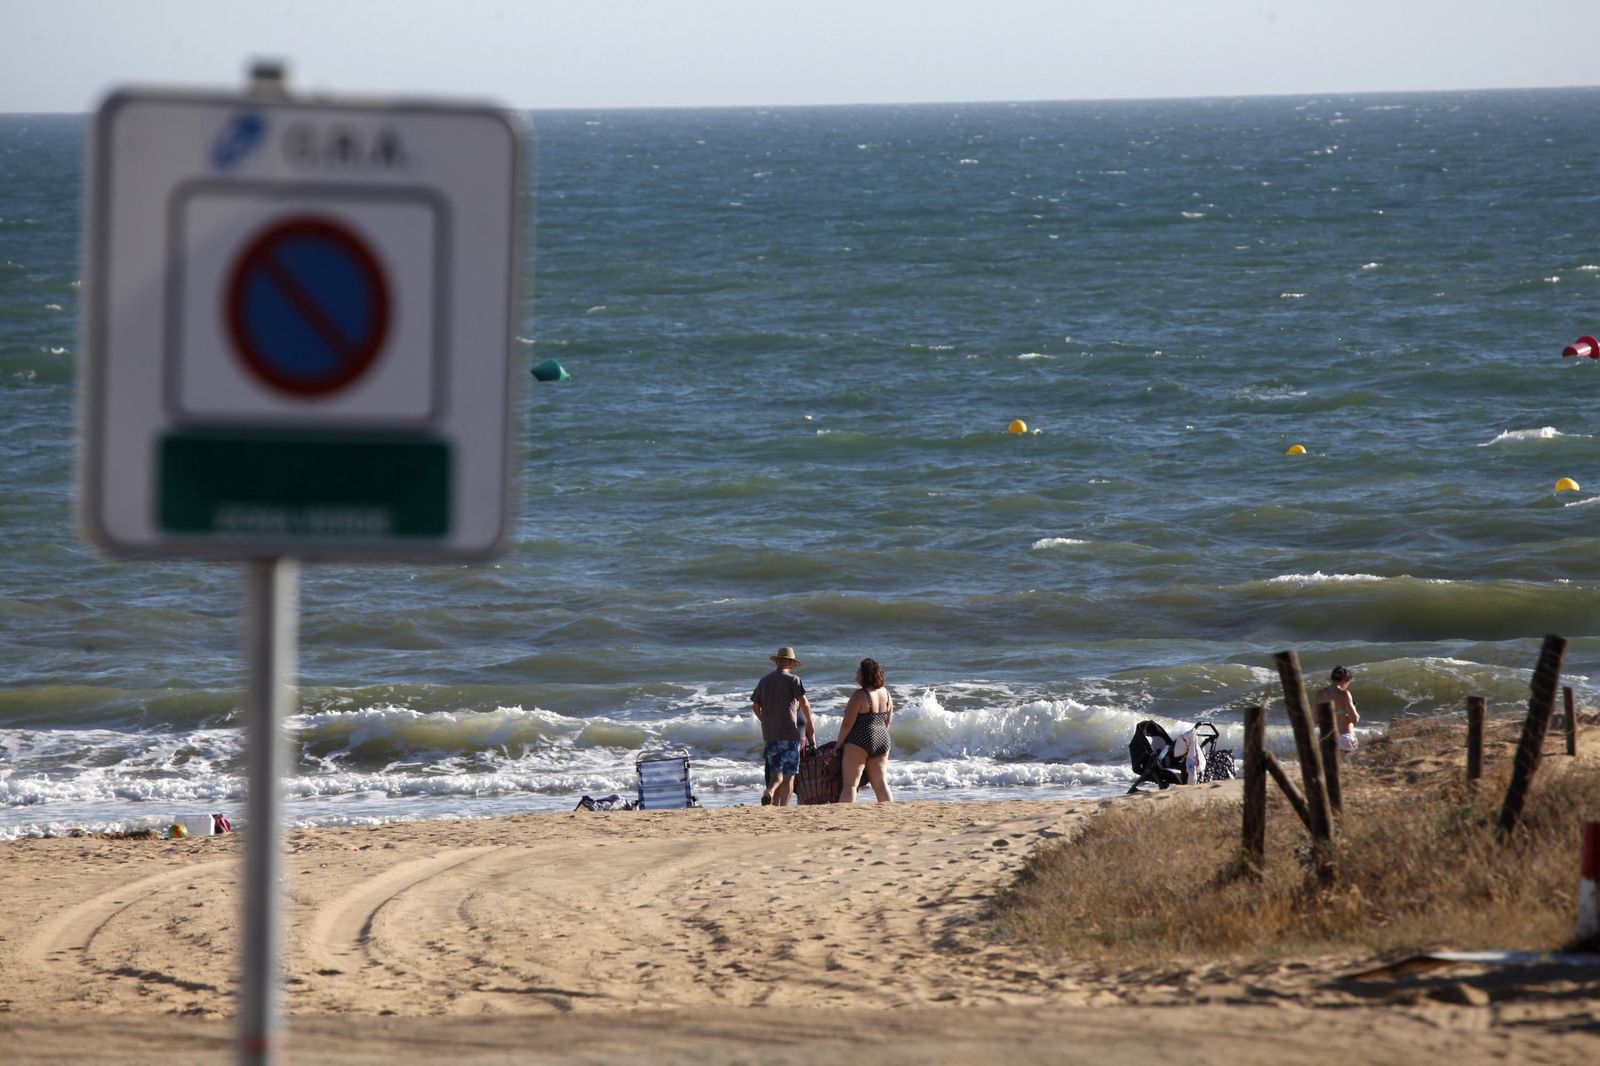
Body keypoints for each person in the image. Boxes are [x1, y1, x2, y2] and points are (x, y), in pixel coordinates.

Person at [751, 646, 815, 806]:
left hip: (770, 735)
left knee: (775, 774)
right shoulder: (793, 680)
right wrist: (810, 726)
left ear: (777, 661)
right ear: (790, 662)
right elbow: (805, 704)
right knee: (789, 776)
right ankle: (784, 809)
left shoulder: (764, 681)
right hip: (790, 735)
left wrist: (765, 721)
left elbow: (755, 707)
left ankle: (770, 792)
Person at [836, 657, 894, 803]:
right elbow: (888, 720)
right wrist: (878, 734)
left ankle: (844, 817)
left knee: (850, 785)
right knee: (881, 785)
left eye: (859, 671)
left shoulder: (859, 695)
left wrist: (839, 744)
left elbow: (847, 724)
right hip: (882, 738)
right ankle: (891, 813)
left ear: (865, 674)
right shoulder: (886, 694)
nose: (857, 674)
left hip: (859, 740)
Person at [1315, 665, 1361, 752]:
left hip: (1327, 739)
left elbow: (1315, 719)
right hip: (1344, 739)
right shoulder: (1344, 694)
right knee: (1346, 765)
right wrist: (1353, 709)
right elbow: (1354, 719)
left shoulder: (1320, 694)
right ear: (1344, 680)